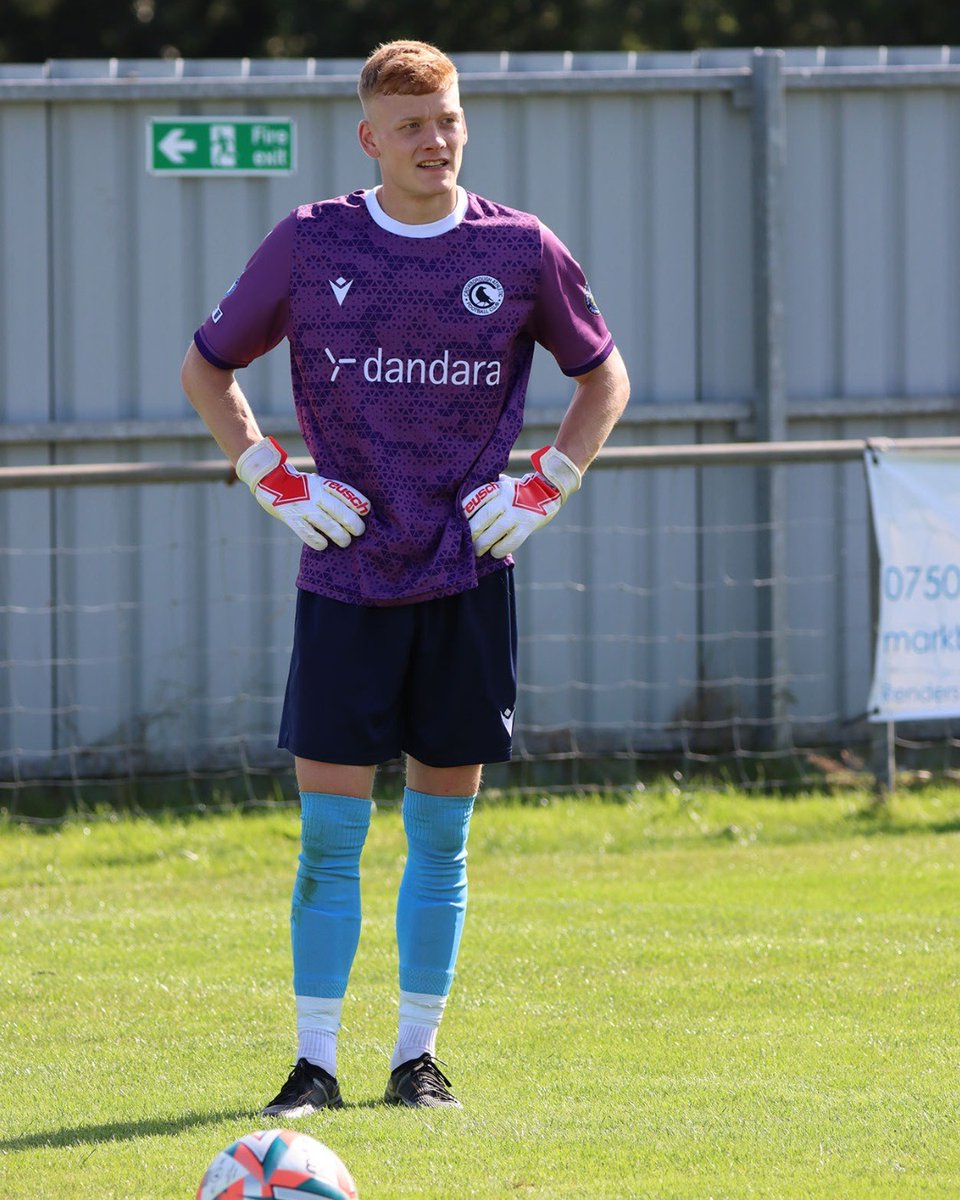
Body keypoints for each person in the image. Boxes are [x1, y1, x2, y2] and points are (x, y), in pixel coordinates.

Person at [180, 39, 630, 1113]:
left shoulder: (520, 250)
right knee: (331, 843)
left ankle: (417, 1061)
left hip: (467, 577)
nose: (437, 141)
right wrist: (267, 474)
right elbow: (208, 364)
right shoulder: (311, 241)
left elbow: (603, 376)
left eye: (450, 120)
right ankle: (313, 1065)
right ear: (369, 136)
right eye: (413, 124)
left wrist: (548, 483)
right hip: (347, 576)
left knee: (441, 839)